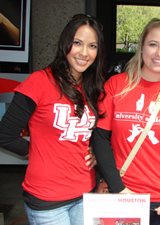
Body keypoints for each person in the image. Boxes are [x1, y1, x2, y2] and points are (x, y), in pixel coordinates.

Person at [0, 14, 106, 224]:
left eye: (92, 46)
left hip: (85, 193)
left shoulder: (94, 88)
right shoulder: (39, 82)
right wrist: (38, 152)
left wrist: (95, 152)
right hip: (47, 199)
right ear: (65, 43)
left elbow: (96, 132)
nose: (84, 53)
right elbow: (5, 135)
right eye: (77, 43)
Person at [92, 18, 160, 225]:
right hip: (120, 193)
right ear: (141, 47)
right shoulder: (116, 85)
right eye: (153, 44)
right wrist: (118, 189)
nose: (159, 53)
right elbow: (100, 138)